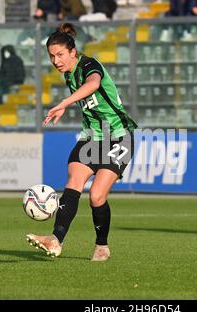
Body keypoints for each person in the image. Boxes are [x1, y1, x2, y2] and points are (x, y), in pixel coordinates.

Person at [26, 23, 137, 261]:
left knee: (97, 196)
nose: (56, 61)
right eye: (51, 56)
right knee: (74, 182)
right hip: (91, 138)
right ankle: (55, 240)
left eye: (60, 55)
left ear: (73, 52)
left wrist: (64, 103)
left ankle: (102, 245)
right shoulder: (69, 74)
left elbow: (94, 84)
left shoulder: (89, 64)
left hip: (119, 136)